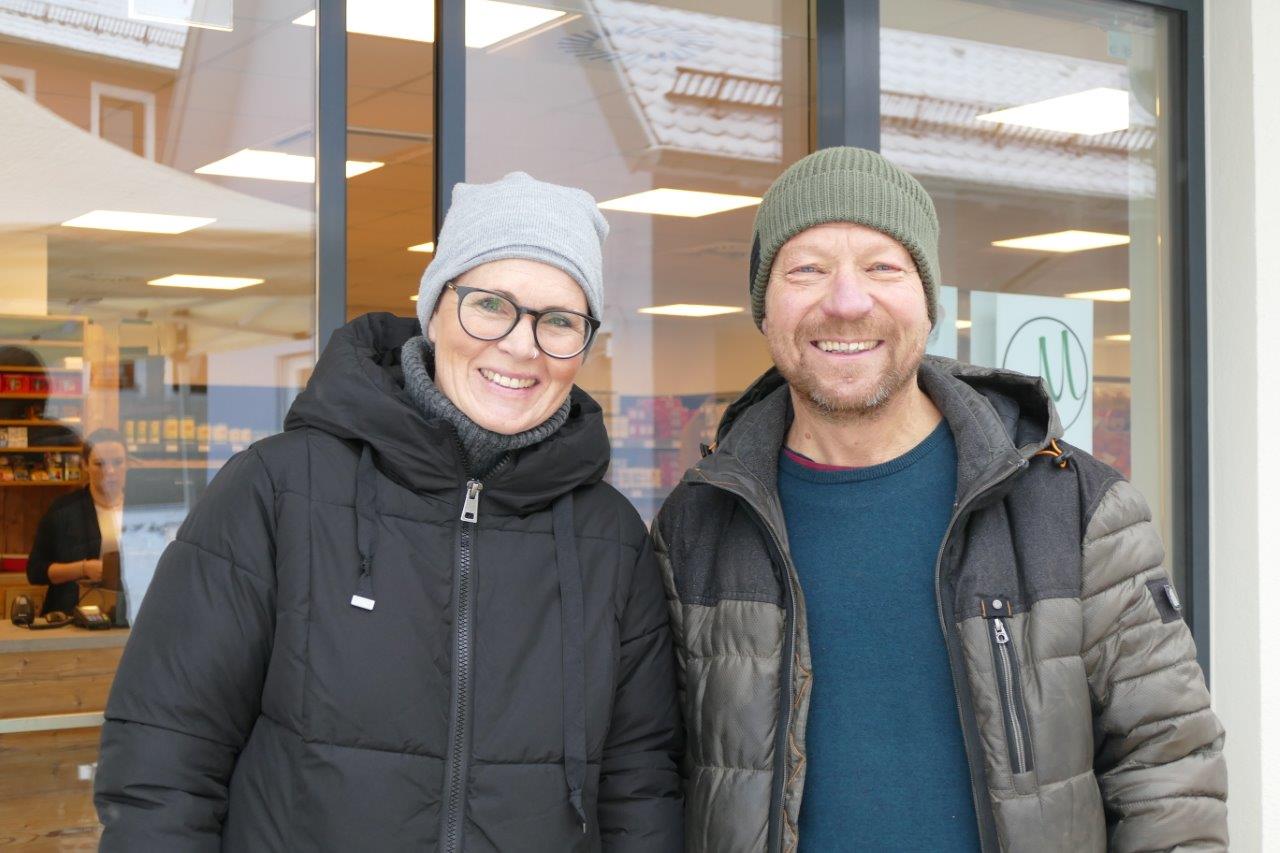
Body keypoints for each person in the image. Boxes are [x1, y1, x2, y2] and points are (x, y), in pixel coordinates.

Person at [653, 148, 1227, 851]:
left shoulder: (1074, 510)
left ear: (928, 303)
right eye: (806, 269)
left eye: (883, 267)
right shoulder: (698, 525)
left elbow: (1170, 771)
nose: (846, 300)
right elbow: (654, 779)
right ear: (763, 309)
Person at [94, 172, 683, 851]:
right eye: (491, 304)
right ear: (434, 308)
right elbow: (164, 762)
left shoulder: (609, 538)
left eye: (559, 321)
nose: (522, 346)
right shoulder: (278, 491)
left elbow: (640, 787)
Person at [26, 427, 127, 615]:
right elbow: (36, 572)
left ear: (128, 464)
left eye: (118, 462)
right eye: (99, 463)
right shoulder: (63, 511)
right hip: (71, 617)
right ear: (85, 465)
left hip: (129, 618)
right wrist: (83, 568)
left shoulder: (143, 511)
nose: (110, 471)